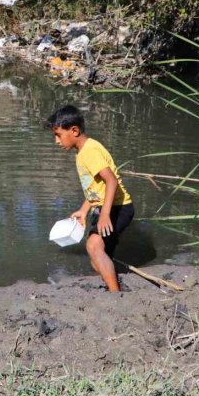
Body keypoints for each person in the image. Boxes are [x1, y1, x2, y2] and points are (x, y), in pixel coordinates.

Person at [46, 105, 134, 292]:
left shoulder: (90, 151)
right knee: (98, 260)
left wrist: (105, 215)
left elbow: (111, 181)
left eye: (58, 135)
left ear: (74, 131)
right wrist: (84, 210)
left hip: (119, 207)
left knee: (93, 246)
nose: (56, 141)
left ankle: (115, 295)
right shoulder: (82, 151)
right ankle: (118, 281)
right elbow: (96, 188)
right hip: (105, 206)